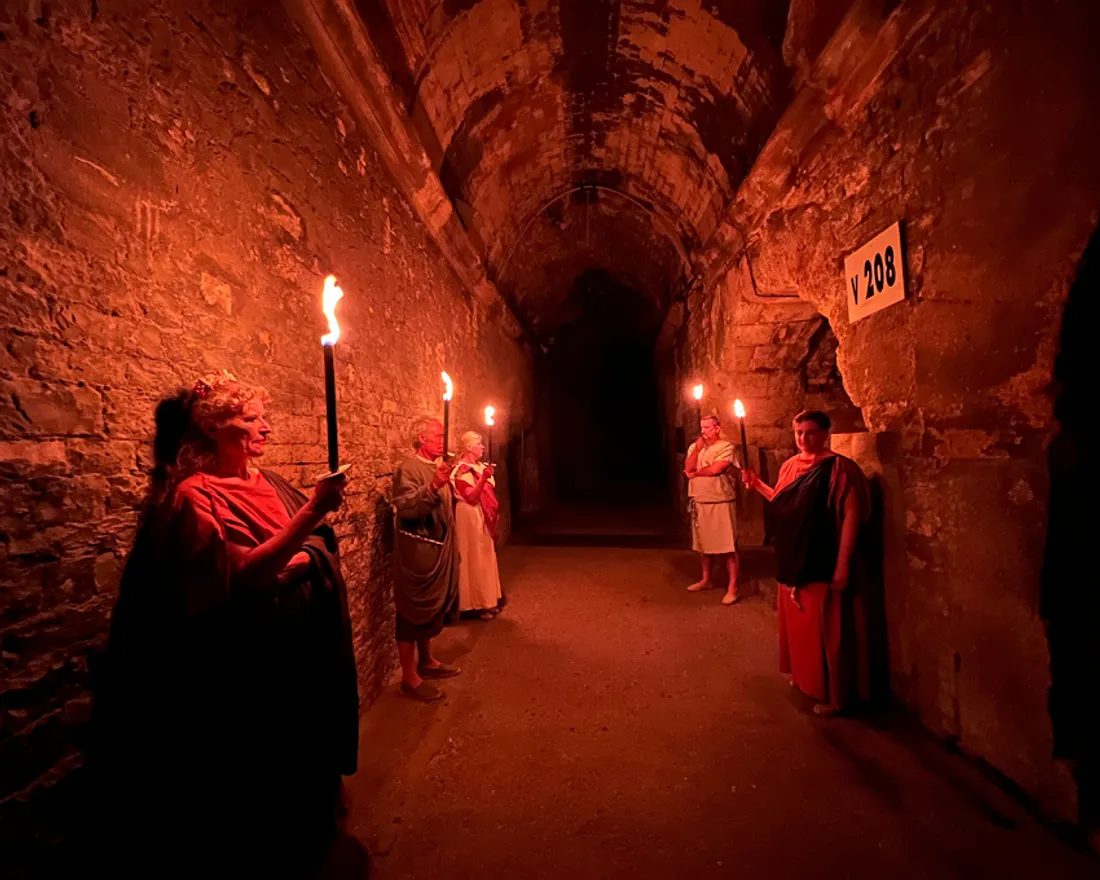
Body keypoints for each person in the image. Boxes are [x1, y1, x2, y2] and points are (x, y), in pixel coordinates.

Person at [89, 371, 359, 876]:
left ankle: (314, 832)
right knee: (261, 759)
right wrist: (312, 517)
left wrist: (306, 555)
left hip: (297, 639)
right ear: (213, 428)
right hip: (250, 651)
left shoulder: (270, 481)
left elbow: (311, 545)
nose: (265, 428)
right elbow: (245, 574)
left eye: (263, 417)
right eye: (249, 419)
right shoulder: (196, 496)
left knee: (304, 739)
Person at [742, 410, 871, 716]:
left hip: (820, 559)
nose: (803, 439)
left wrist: (842, 565)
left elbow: (851, 518)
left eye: (810, 433)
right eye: (799, 433)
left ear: (825, 433)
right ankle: (805, 679)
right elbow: (783, 501)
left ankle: (836, 697)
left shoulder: (840, 469)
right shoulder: (789, 466)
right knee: (800, 629)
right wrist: (758, 484)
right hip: (794, 558)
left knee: (827, 631)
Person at [391, 416, 461, 701]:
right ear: (422, 439)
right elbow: (405, 507)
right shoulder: (407, 469)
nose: (443, 442)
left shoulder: (437, 468)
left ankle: (428, 661)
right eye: (437, 436)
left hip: (437, 549)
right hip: (418, 552)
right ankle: (409, 678)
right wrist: (432, 487)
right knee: (412, 613)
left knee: (430, 611)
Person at [684, 413, 741, 605]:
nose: (704, 431)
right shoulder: (695, 447)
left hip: (720, 500)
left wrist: (695, 473)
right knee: (704, 545)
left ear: (716, 428)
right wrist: (696, 453)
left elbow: (716, 469)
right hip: (700, 500)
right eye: (702, 428)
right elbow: (687, 467)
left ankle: (733, 587)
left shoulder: (726, 447)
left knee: (728, 546)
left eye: (707, 428)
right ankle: (706, 579)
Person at [451, 430, 503, 620]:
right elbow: (471, 497)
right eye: (478, 444)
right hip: (469, 515)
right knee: (473, 555)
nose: (482, 447)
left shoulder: (480, 466)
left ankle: (488, 600)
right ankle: (474, 603)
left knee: (486, 554)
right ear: (469, 447)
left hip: (482, 514)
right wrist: (482, 478)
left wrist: (485, 475)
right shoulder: (461, 470)